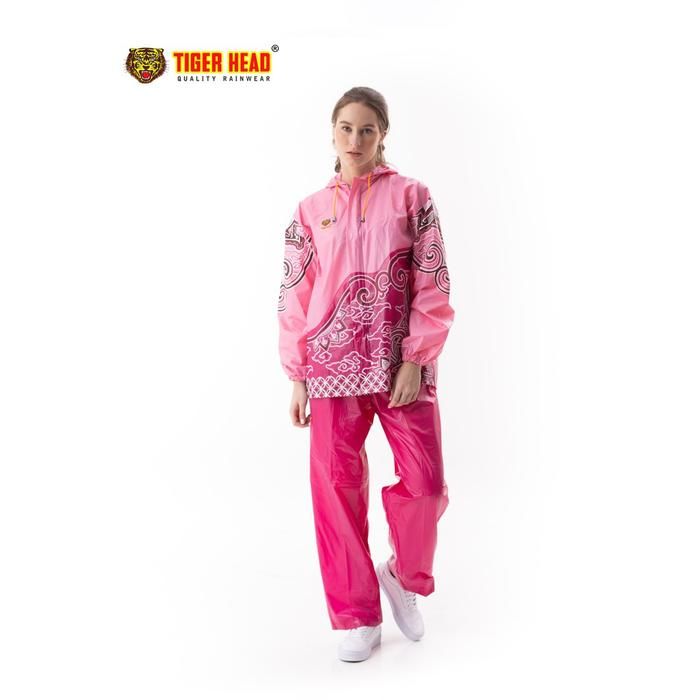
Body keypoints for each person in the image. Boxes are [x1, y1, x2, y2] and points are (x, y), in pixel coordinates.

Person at [277, 86, 455, 663]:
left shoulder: (412, 197)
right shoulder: (309, 211)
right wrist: (298, 374)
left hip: (400, 366)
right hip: (329, 368)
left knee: (426, 485)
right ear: (332, 132)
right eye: (346, 128)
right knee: (335, 490)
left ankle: (403, 574)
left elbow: (432, 277)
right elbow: (295, 294)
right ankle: (357, 616)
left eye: (367, 130)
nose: (355, 140)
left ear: (383, 136)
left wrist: (416, 357)